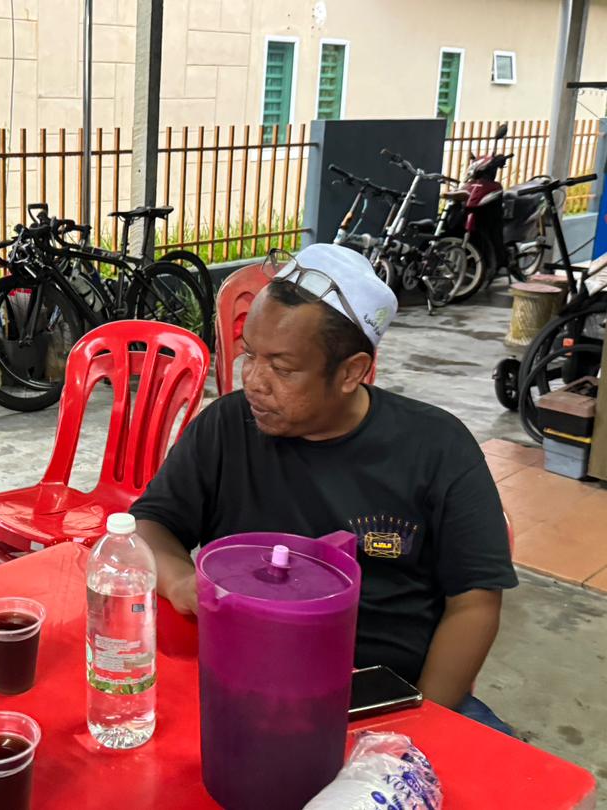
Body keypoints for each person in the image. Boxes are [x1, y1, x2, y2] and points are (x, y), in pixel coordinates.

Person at [130, 244, 518, 733]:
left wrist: (421, 725)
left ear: (352, 371)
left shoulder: (437, 448)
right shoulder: (226, 428)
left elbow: (474, 603)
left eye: (282, 368)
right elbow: (152, 524)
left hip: (389, 694)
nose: (254, 381)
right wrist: (181, 582)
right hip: (246, 674)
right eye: (250, 355)